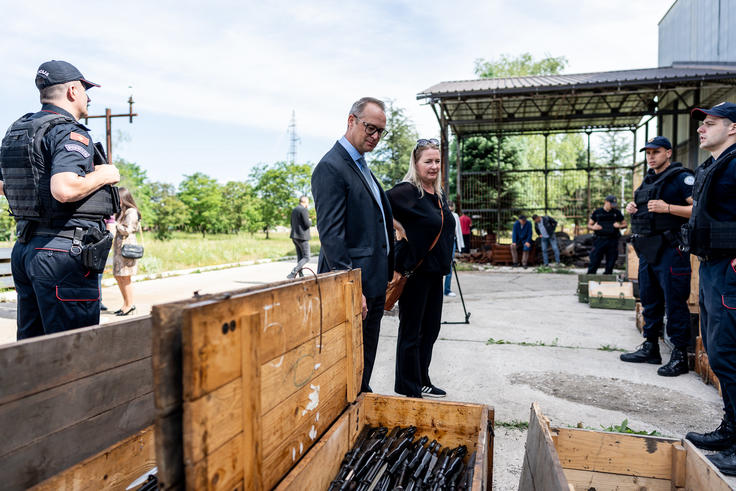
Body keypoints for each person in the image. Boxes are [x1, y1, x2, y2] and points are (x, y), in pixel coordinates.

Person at [0, 60, 120, 340]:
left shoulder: (19, 131)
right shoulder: (69, 132)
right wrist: (105, 174)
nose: (88, 98)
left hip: (26, 249)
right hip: (63, 252)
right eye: (85, 90)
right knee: (73, 349)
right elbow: (64, 189)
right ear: (72, 91)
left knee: (32, 347)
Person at [311, 97, 394, 393]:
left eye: (380, 131)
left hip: (372, 281)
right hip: (354, 285)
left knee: (364, 359)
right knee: (346, 363)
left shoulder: (361, 166)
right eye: (370, 128)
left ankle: (362, 402)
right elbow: (331, 235)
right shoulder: (331, 167)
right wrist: (351, 286)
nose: (375, 137)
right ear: (351, 121)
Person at [682, 102, 736, 474]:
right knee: (718, 354)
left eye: (711, 123)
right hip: (712, 266)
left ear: (733, 128)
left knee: (730, 355)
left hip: (729, 269)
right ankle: (731, 430)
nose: (701, 128)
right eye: (702, 123)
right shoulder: (716, 165)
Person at [619, 136, 693, 376]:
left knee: (675, 302)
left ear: (668, 153)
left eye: (656, 152)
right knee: (649, 300)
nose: (651, 157)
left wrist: (668, 208)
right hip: (648, 250)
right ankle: (650, 347)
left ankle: (680, 356)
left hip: (671, 250)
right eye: (648, 153)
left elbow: (698, 209)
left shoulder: (681, 178)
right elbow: (647, 210)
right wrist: (633, 208)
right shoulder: (648, 180)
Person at [387, 138, 455, 398]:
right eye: (428, 161)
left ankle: (422, 379)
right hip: (414, 274)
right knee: (412, 332)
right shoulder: (406, 191)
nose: (434, 166)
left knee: (430, 330)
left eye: (437, 161)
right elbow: (376, 207)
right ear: (416, 164)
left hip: (435, 274)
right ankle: (409, 385)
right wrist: (397, 226)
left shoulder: (438, 193)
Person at [112, 187, 140, 316]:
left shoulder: (131, 212)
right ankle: (125, 304)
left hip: (127, 248)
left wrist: (115, 224)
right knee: (118, 276)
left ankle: (130, 305)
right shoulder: (122, 212)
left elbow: (128, 230)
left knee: (125, 277)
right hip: (119, 248)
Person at [587, 195, 626, 274]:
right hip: (600, 239)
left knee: (611, 260)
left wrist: (619, 226)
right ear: (606, 202)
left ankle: (608, 276)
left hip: (612, 240)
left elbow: (625, 224)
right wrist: (594, 227)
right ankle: (590, 276)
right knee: (595, 259)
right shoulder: (597, 212)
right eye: (611, 204)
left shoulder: (616, 213)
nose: (612, 206)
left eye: (613, 204)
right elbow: (589, 225)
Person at [287, 195, 311, 279]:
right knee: (307, 257)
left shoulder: (294, 210)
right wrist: (310, 221)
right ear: (304, 201)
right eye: (308, 202)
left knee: (300, 257)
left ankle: (300, 275)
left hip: (294, 236)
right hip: (302, 237)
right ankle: (293, 272)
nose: (308, 204)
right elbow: (307, 224)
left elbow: (291, 223)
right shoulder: (304, 210)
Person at [444, 201, 463, 297]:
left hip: (451, 241)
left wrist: (460, 247)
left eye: (452, 208)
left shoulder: (455, 216)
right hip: (442, 241)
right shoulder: (441, 214)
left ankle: (447, 290)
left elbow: (458, 231)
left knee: (449, 265)